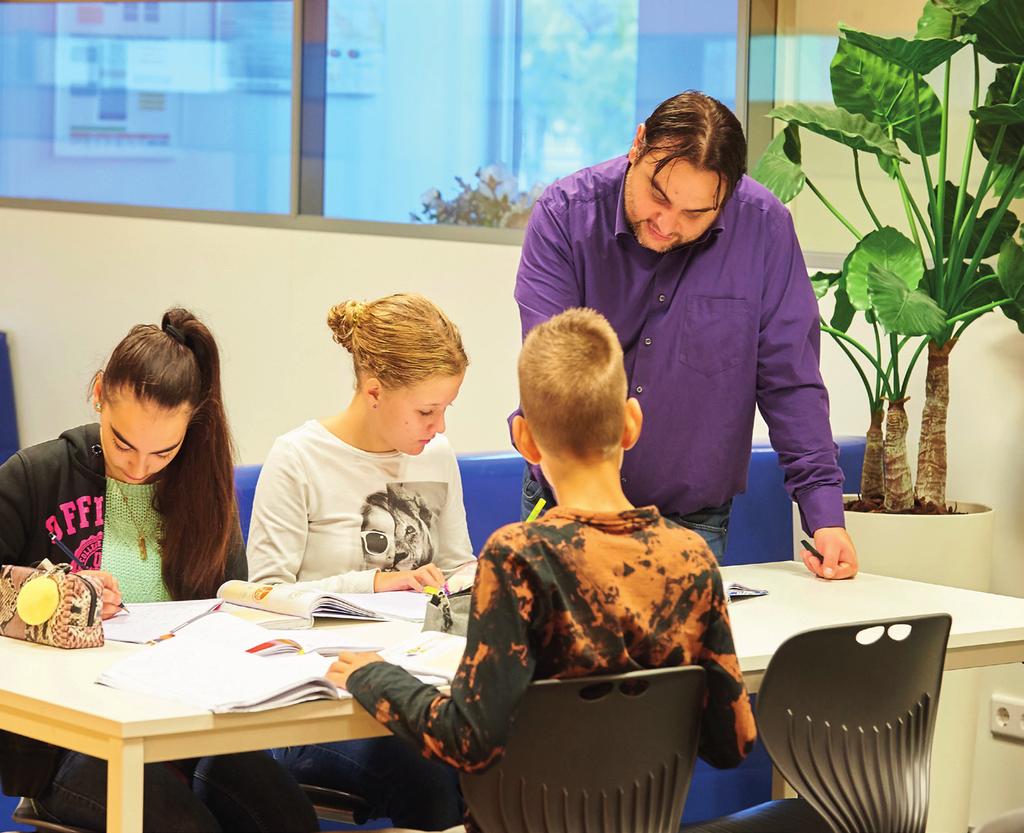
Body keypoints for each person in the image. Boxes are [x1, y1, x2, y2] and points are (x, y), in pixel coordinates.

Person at [327, 308, 757, 833]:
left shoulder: (517, 558)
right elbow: (732, 743)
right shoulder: (691, 555)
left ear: (525, 440)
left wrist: (374, 676)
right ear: (631, 424)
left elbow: (470, 741)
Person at [513, 90, 858, 580]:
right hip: (567, 507)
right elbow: (554, 375)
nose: (667, 224)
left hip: (692, 524)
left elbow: (790, 380)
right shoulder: (566, 216)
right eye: (659, 196)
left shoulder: (764, 229)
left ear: (730, 193)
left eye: (697, 214)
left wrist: (824, 516)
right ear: (638, 146)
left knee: (683, 658)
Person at [0, 309, 318, 832]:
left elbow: (228, 607)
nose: (140, 466)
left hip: (190, 723)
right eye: (123, 442)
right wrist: (57, 593)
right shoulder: (36, 476)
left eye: (164, 450)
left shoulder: (202, 488)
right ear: (99, 392)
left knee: (286, 817)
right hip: (67, 741)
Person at [247, 293, 473, 829]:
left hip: (417, 685)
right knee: (435, 776)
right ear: (373, 392)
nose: (438, 426)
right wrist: (376, 582)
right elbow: (262, 600)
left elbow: (455, 566)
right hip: (321, 705)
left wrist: (479, 577)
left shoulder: (436, 456)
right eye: (425, 411)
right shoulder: (298, 458)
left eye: (446, 409)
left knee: (493, 757)